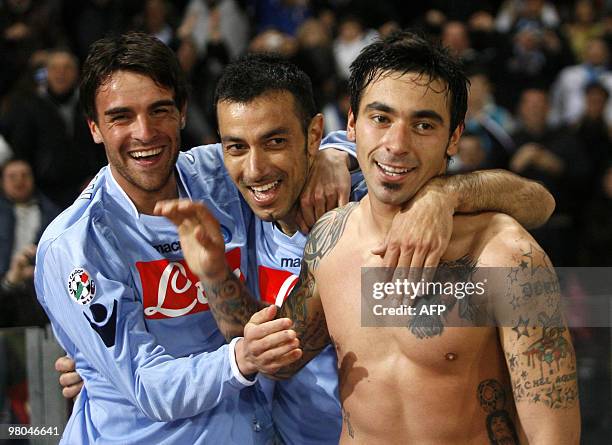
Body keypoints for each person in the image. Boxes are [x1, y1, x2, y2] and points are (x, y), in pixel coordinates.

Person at [56, 50, 556, 444]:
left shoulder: (374, 200)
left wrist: (445, 194)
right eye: (237, 148)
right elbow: (266, 346)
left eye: (276, 143)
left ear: (311, 136)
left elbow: (539, 202)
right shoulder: (228, 193)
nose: (255, 169)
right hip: (280, 433)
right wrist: (104, 373)